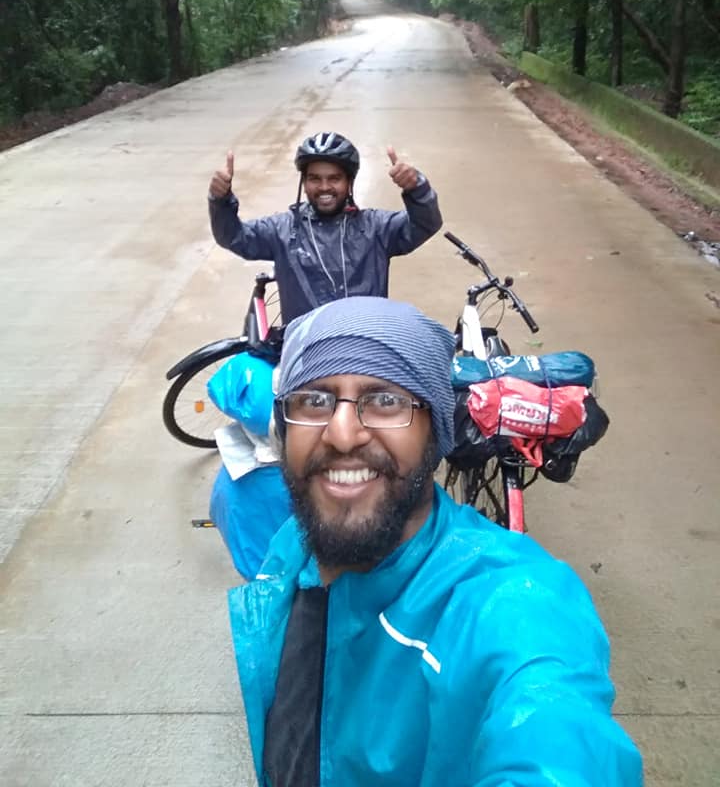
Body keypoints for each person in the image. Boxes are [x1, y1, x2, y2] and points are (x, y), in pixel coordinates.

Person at [227, 297, 643, 787]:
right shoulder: (296, 547)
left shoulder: (506, 600)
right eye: (314, 400)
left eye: (386, 400)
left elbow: (555, 732)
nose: (342, 434)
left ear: (436, 432)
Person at [208, 131, 442, 323]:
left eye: (334, 178)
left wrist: (417, 189)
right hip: (307, 352)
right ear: (304, 182)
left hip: (366, 346)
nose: (324, 187)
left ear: (349, 182)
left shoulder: (376, 228)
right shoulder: (282, 230)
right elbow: (233, 236)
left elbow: (426, 224)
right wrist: (220, 201)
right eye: (314, 178)